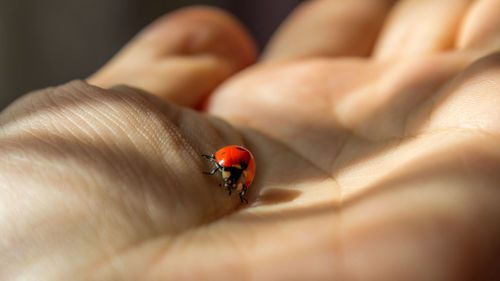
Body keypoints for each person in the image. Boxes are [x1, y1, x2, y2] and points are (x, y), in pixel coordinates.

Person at [1, 1, 499, 280]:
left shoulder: (232, 168)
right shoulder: (229, 167)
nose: (227, 178)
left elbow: (229, 170)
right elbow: (227, 169)